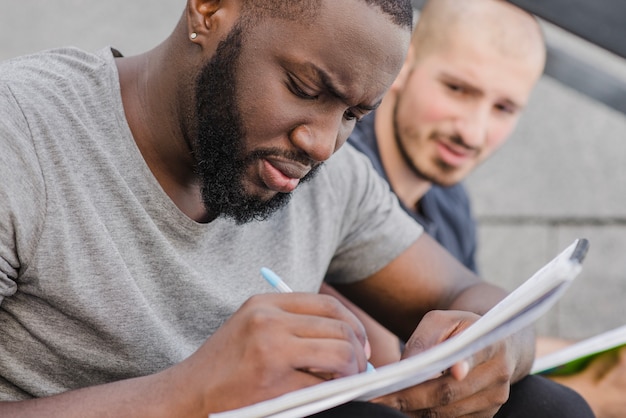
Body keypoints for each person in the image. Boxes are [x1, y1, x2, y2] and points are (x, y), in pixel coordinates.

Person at [0, 0, 593, 417]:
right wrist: (191, 394)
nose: (322, 144)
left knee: (544, 405)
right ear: (208, 9)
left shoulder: (331, 181)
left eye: (355, 115)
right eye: (306, 90)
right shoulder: (22, 134)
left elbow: (476, 295)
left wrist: (490, 349)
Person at [328, 0, 620, 416]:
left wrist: (591, 357)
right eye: (457, 89)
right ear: (403, 63)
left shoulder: (451, 203)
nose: (473, 131)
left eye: (503, 108)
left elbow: (476, 332)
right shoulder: (338, 163)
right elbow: (390, 374)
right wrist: (598, 393)